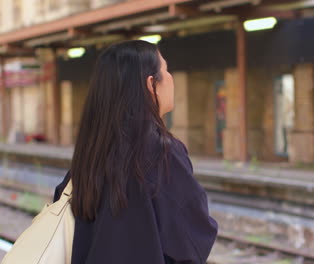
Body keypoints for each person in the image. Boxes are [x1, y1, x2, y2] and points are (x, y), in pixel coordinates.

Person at [53, 40, 218, 264]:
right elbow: (192, 235)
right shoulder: (160, 152)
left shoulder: (90, 152)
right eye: (166, 70)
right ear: (151, 84)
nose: (170, 78)